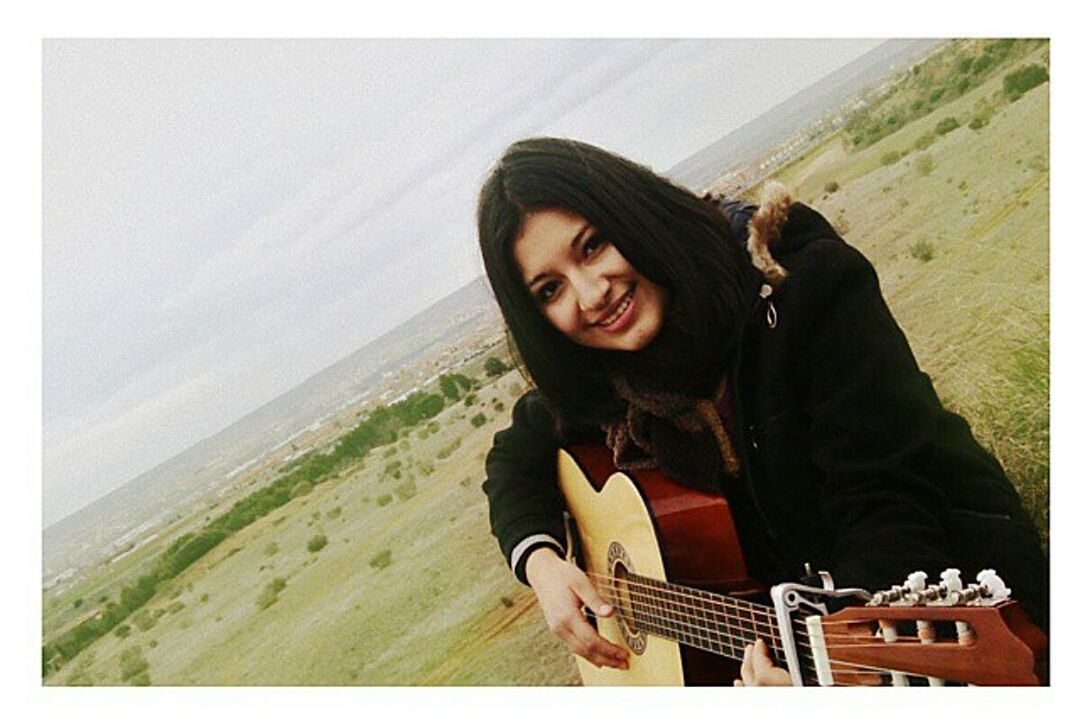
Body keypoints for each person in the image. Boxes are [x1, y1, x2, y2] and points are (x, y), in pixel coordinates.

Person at [476, 137, 1048, 685]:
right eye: (550, 290)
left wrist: (826, 671)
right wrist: (543, 566)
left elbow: (887, 501)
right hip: (792, 639)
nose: (591, 293)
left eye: (594, 244)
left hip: (963, 598)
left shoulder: (797, 279)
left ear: (631, 213)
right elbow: (514, 460)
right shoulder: (604, 376)